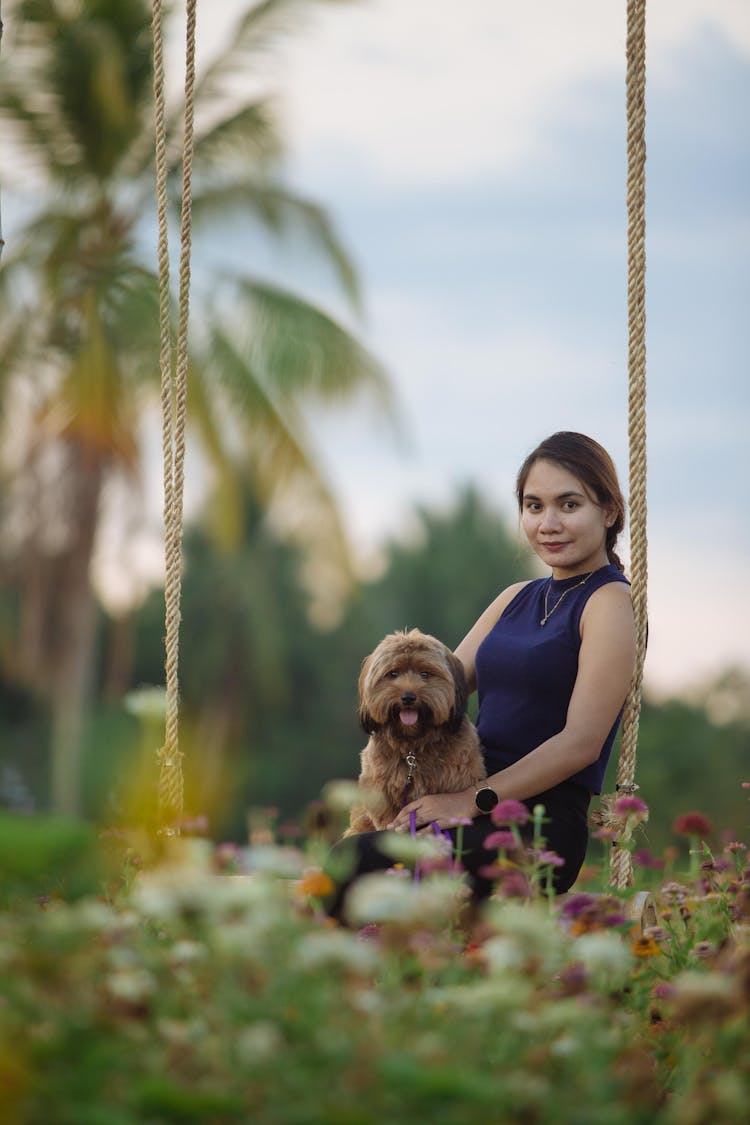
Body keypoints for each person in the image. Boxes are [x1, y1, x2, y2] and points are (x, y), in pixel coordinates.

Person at [326, 432, 636, 915]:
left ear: (610, 511)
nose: (549, 523)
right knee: (350, 857)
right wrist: (385, 690)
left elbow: (582, 743)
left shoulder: (609, 602)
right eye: (534, 507)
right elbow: (440, 683)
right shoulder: (515, 597)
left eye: (568, 505)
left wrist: (474, 800)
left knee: (358, 863)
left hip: (532, 823)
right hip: (463, 805)